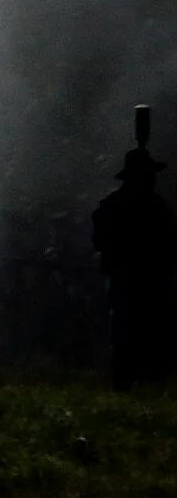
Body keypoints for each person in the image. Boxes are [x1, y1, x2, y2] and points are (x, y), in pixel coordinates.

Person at [91, 147, 176, 389]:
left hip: (146, 283)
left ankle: (143, 387)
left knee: (142, 338)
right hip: (131, 282)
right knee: (130, 338)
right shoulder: (143, 207)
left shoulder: (153, 207)